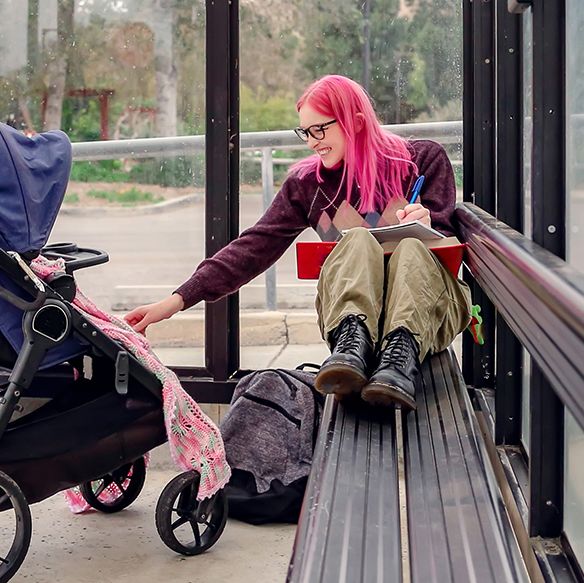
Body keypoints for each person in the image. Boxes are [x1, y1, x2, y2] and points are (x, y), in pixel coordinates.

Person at [125, 75, 471, 411]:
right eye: (305, 131)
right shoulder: (308, 186)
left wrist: (429, 226)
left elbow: (449, 257)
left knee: (411, 247)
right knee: (357, 242)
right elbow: (255, 245)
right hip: (353, 329)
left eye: (320, 129)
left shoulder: (422, 160)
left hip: (425, 319)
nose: (311, 141)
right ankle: (352, 346)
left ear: (358, 121)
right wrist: (176, 301)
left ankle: (399, 355)